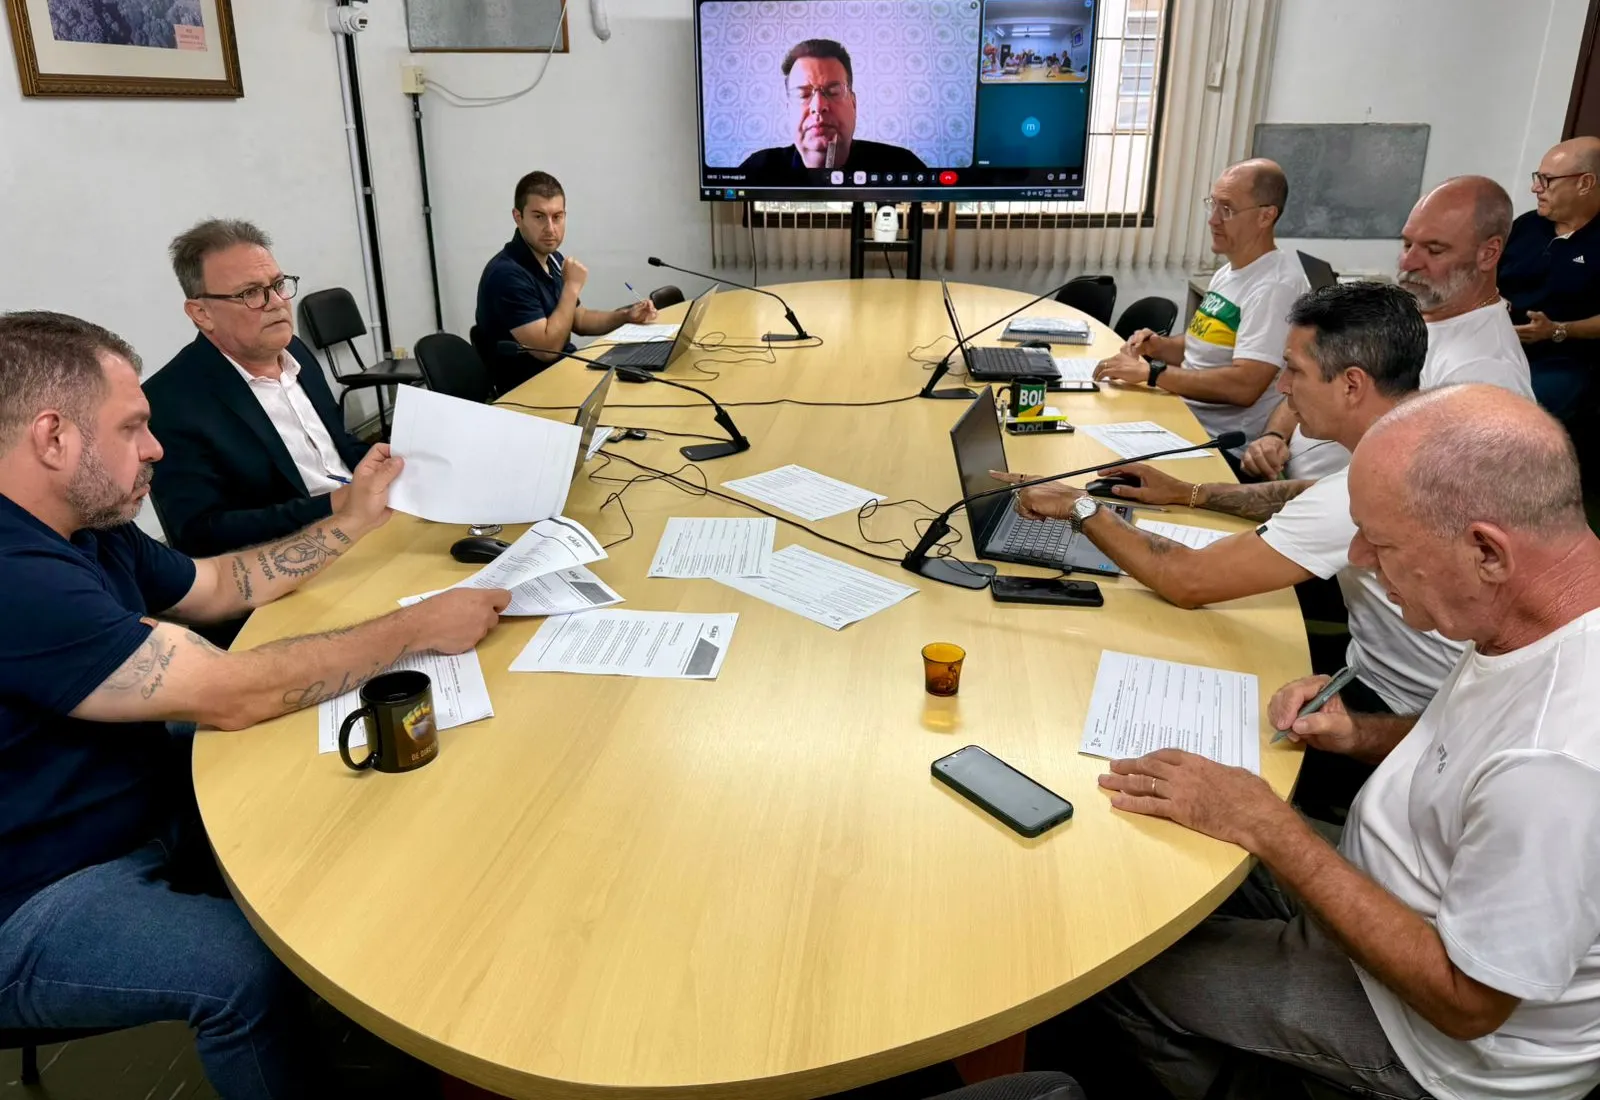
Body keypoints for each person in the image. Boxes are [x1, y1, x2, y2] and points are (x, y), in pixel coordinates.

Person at [0, 311, 510, 1099]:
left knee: (338, 804)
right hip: (34, 886)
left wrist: (349, 521)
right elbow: (231, 695)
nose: (155, 448)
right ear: (53, 438)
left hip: (118, 795)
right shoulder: (17, 573)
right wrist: (415, 627)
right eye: (133, 427)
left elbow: (218, 586)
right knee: (241, 975)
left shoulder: (84, 522)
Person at [1083, 384, 1600, 1100]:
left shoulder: (1559, 762)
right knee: (1160, 843)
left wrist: (1271, 829)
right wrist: (1358, 733)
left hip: (1433, 1043)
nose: (1358, 556)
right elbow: (1469, 755)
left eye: (1380, 543)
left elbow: (1467, 1004)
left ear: (1487, 551)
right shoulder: (1536, 612)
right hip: (1387, 887)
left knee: (1118, 970)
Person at [998, 282, 1463, 718]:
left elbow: (1186, 580)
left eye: (1295, 370)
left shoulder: (1372, 485)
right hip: (1399, 676)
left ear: (1352, 384)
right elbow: (1305, 492)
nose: (1282, 387)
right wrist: (1190, 493)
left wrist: (1080, 507)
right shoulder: (1421, 437)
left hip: (1397, 710)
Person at [1245, 176, 1533, 481]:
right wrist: (1275, 435)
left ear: (1488, 253)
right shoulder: (1410, 311)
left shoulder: (1486, 372)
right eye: (1407, 244)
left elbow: (1416, 493)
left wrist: (1235, 495)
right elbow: (1312, 375)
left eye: (1434, 250)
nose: (1408, 262)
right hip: (1285, 478)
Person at [146, 219, 370, 560]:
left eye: (278, 284)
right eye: (250, 293)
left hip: (364, 521)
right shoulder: (169, 402)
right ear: (201, 313)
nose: (276, 302)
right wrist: (334, 504)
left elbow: (336, 448)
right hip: (289, 558)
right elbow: (200, 533)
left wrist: (389, 462)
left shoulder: (295, 352)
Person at [1092, 159, 1308, 470]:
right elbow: (1198, 347)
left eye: (1227, 209)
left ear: (1266, 215)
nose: (1213, 220)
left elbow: (1244, 386)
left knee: (1101, 461)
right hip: (1181, 416)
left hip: (1217, 445)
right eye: (1213, 204)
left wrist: (1153, 374)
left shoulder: (1275, 286)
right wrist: (1157, 346)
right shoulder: (1228, 272)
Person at [474, 170, 656, 396]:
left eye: (557, 217)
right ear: (518, 217)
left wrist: (626, 316)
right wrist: (571, 286)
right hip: (532, 392)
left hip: (563, 374)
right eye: (539, 217)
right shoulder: (507, 275)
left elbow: (579, 319)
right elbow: (547, 349)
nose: (550, 228)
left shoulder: (552, 259)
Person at [1500, 137, 1600, 427]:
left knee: (1511, 416)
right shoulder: (1527, 225)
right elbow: (1488, 274)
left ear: (1585, 183)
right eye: (1537, 177)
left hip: (1563, 360)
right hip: (1499, 344)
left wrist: (1557, 330)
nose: (1535, 188)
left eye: (1547, 180)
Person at [737, 39, 927, 182]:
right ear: (788, 111)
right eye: (803, 94)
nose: (818, 106)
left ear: (854, 104)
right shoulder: (756, 170)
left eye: (834, 91)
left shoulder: (903, 166)